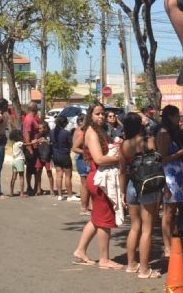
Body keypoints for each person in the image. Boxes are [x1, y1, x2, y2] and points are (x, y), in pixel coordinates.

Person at [72, 102, 123, 269]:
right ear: (90, 115)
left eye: (102, 113)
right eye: (97, 114)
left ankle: (80, 250)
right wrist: (120, 157)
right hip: (99, 179)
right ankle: (104, 259)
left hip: (97, 177)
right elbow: (99, 159)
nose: (101, 117)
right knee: (105, 221)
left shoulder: (97, 131)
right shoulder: (92, 133)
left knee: (96, 219)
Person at [120, 112, 161, 280]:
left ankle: (132, 264)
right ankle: (144, 269)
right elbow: (157, 161)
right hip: (147, 185)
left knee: (135, 226)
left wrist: (122, 192)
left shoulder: (123, 145)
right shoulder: (146, 140)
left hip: (131, 185)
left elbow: (122, 171)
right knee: (147, 229)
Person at [156, 104, 183, 258]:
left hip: (176, 175)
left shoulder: (172, 133)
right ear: (170, 117)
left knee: (173, 212)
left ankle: (172, 243)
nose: (179, 119)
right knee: (168, 213)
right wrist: (180, 153)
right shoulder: (164, 133)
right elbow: (162, 158)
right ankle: (167, 246)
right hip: (169, 176)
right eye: (176, 116)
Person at [51, 115, 74, 201]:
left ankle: (60, 195)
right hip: (64, 155)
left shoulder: (52, 132)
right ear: (64, 123)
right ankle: (70, 195)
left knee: (58, 175)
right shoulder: (66, 133)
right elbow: (71, 144)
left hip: (55, 155)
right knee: (68, 176)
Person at [72, 114, 91, 213]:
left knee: (85, 184)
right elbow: (75, 148)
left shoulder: (79, 131)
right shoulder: (81, 133)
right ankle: (84, 207)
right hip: (82, 160)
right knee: (85, 184)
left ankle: (85, 206)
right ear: (81, 122)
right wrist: (87, 152)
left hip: (82, 159)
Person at [21, 103, 40, 195]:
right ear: (34, 109)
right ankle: (29, 187)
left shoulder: (34, 118)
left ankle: (36, 187)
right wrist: (30, 149)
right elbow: (26, 135)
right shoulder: (29, 119)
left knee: (35, 169)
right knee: (30, 169)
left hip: (35, 147)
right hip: (31, 148)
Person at [34, 121, 54, 196]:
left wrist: (45, 141)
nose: (39, 130)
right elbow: (35, 145)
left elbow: (53, 143)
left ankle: (51, 190)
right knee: (38, 172)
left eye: (41, 128)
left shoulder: (50, 134)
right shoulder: (38, 135)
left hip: (48, 157)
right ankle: (39, 189)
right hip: (39, 156)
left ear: (45, 128)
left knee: (49, 173)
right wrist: (35, 142)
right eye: (39, 128)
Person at [9, 129, 26, 197]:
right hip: (19, 161)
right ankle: (21, 193)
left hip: (14, 161)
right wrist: (34, 142)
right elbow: (26, 144)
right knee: (21, 177)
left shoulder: (14, 144)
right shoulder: (19, 143)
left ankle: (11, 192)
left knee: (13, 177)